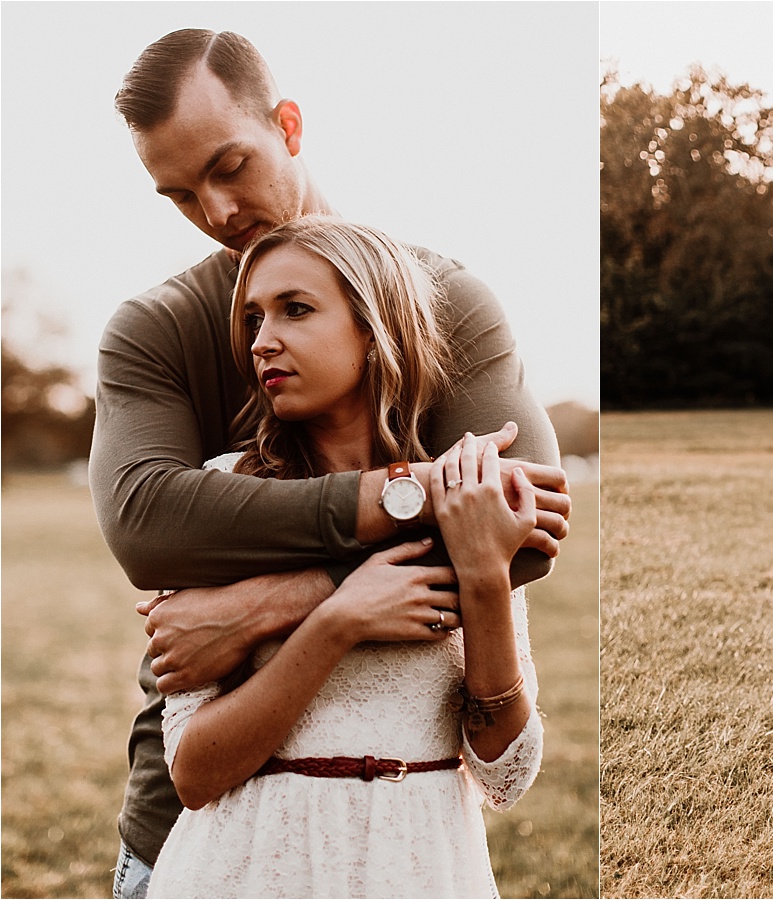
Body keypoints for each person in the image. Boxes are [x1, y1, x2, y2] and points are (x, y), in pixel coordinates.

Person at [94, 30, 570, 898]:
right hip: (194, 827)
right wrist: (413, 499)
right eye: (180, 195)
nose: (217, 210)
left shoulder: (445, 301)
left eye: (231, 165)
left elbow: (524, 529)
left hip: (414, 844)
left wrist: (279, 596)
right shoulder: (153, 328)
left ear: (289, 123)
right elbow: (143, 523)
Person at [143, 215, 542, 897]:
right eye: (253, 319)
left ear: (374, 326)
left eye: (295, 310)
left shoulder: (463, 499)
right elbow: (192, 773)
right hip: (246, 868)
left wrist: (482, 575)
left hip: (421, 866)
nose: (263, 341)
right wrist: (339, 619)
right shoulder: (222, 498)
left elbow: (507, 775)